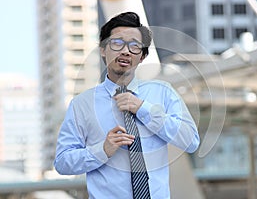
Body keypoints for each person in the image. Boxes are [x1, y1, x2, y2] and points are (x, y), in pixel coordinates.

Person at [54, 11, 200, 199]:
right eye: (117, 43)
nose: (125, 51)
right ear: (102, 49)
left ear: (142, 56)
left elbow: (191, 141)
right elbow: (62, 162)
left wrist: (144, 109)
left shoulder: (163, 93)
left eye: (134, 46)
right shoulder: (81, 105)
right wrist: (102, 150)